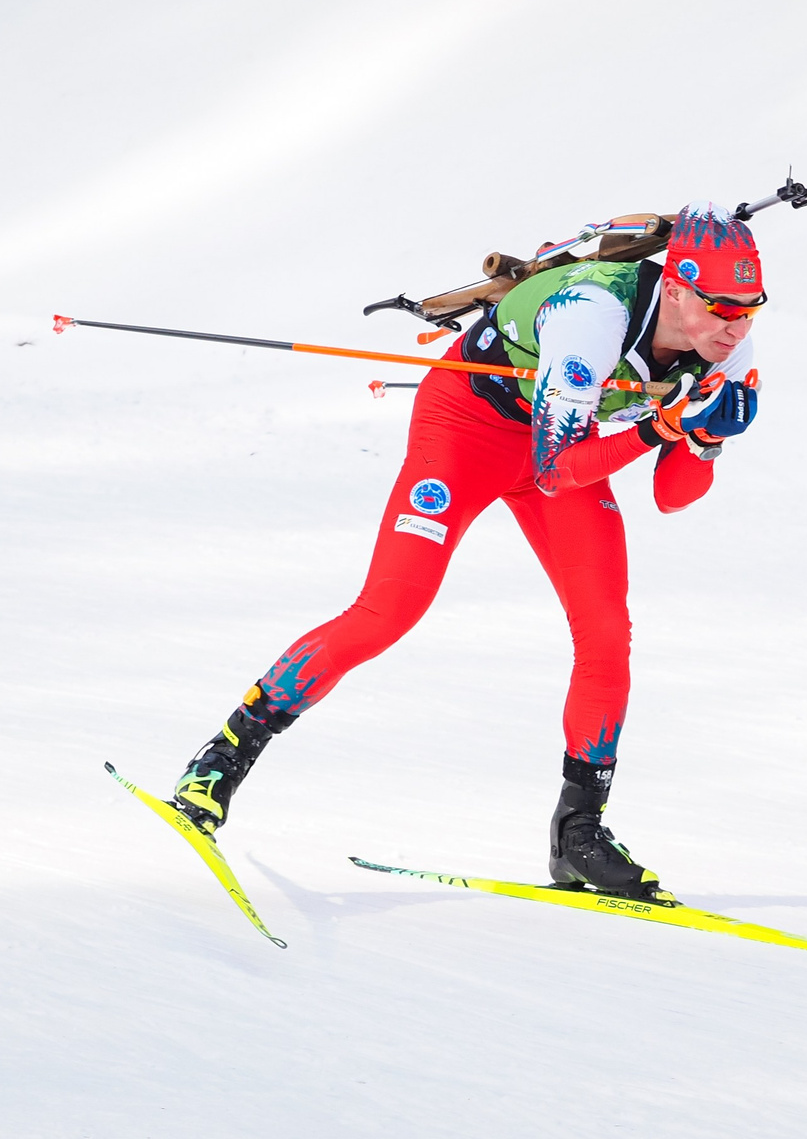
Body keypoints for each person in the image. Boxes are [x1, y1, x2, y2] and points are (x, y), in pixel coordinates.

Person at [167, 201, 769, 899]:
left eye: (750, 309)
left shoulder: (733, 348)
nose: (735, 325)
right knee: (388, 609)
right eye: (721, 306)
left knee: (606, 631)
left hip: (572, 456)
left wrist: (704, 439)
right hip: (468, 429)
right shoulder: (591, 315)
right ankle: (222, 758)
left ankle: (578, 835)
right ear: (674, 287)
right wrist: (661, 428)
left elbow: (673, 494)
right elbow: (554, 466)